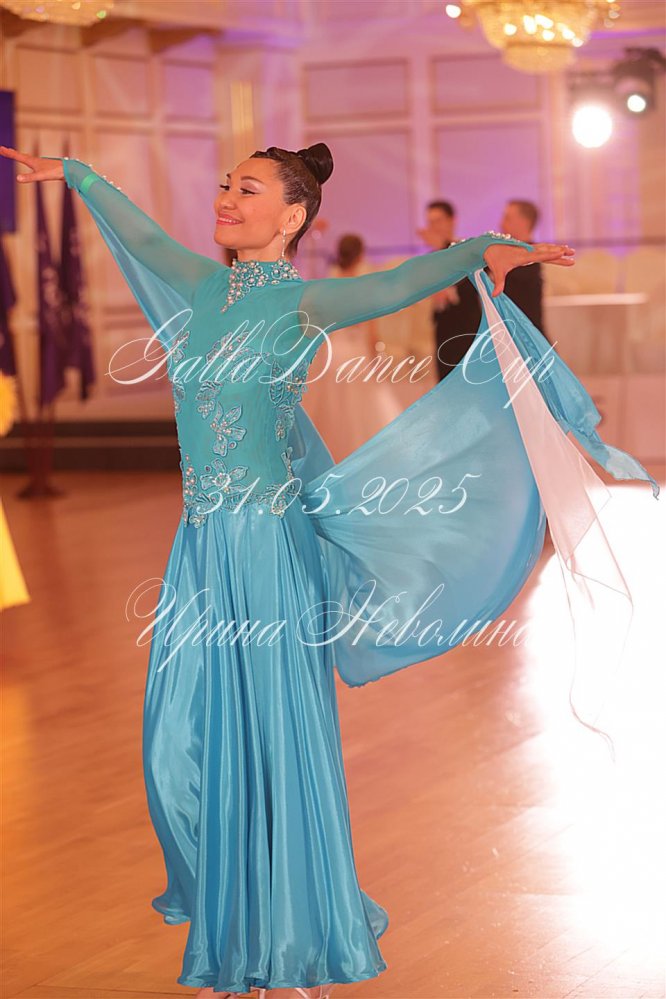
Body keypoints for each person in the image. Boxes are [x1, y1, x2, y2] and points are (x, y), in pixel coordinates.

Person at [1, 141, 657, 999]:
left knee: (273, 743)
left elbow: (404, 281)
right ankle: (239, 933)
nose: (227, 197)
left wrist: (487, 248)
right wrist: (77, 173)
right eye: (226, 183)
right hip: (201, 551)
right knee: (178, 745)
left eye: (247, 189)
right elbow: (143, 235)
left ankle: (291, 948)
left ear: (293, 216)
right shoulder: (200, 285)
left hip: (270, 552)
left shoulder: (305, 303)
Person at [301, 233, 402, 461]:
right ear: (359, 255)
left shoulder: (331, 280)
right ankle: (361, 454)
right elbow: (371, 326)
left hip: (335, 353)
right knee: (363, 407)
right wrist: (377, 353)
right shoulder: (364, 283)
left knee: (335, 408)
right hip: (356, 352)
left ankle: (333, 453)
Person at [418, 200, 482, 380]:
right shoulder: (430, 258)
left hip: (468, 329)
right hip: (443, 331)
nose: (434, 227)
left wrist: (441, 247)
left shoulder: (466, 250)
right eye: (430, 222)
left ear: (452, 220)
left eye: (438, 221)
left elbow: (466, 286)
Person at [499, 199, 549, 340]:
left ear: (524, 222)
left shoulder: (532, 257)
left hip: (526, 339)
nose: (501, 224)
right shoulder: (506, 254)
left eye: (507, 218)